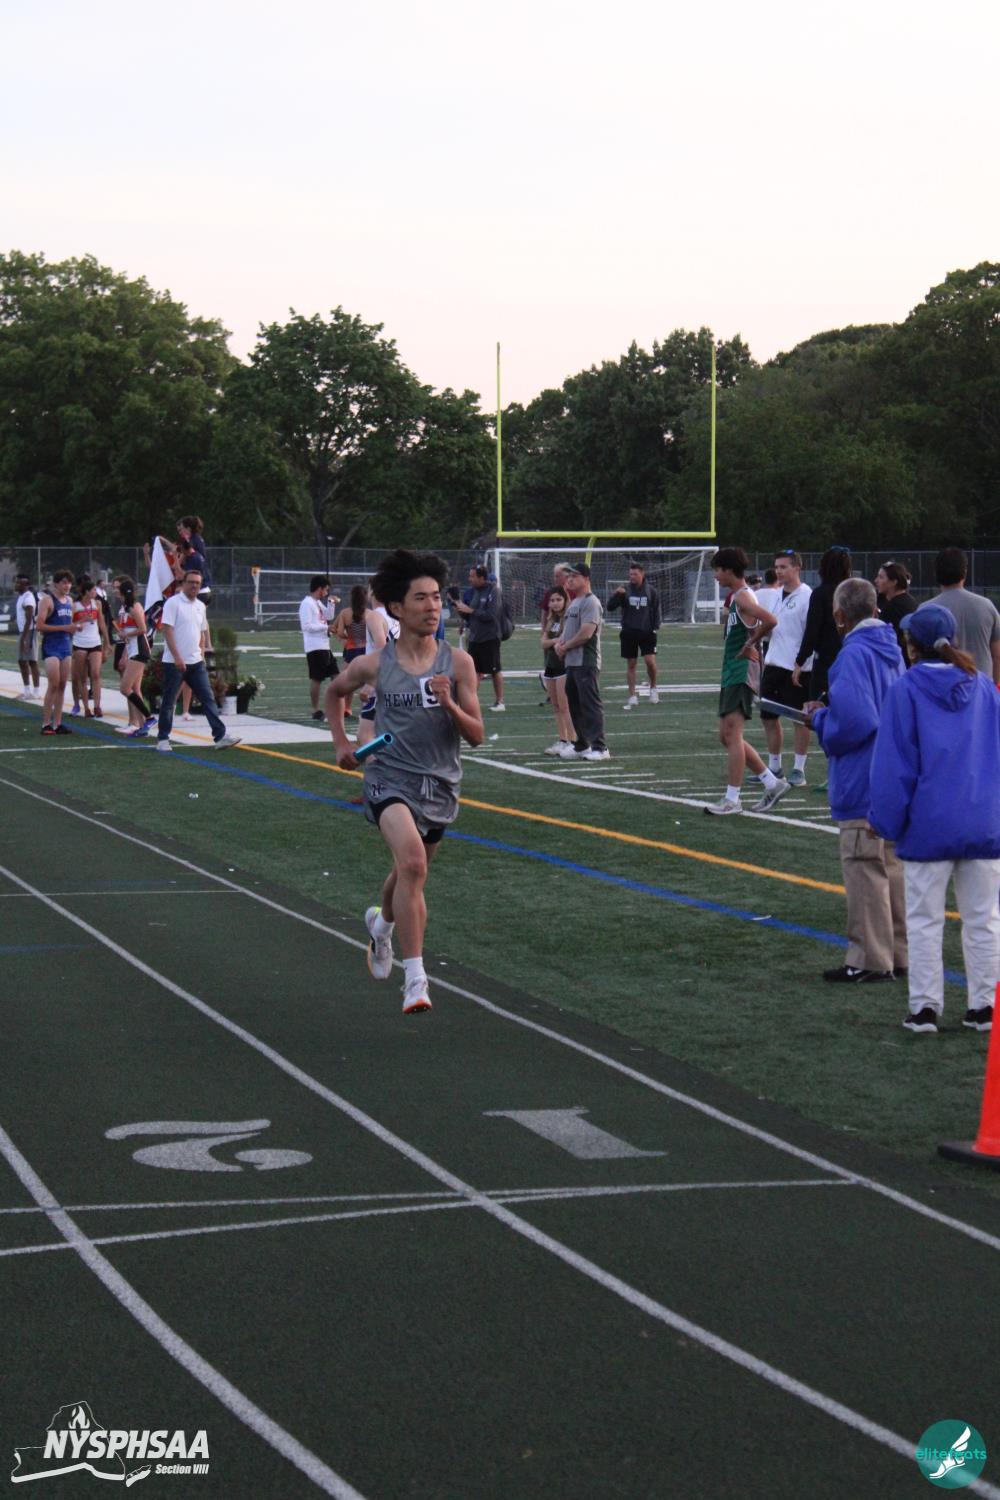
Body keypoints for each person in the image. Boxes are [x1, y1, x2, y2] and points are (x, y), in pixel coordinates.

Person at [325, 549, 484, 1015]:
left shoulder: (459, 663)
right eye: (421, 598)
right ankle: (415, 980)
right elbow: (335, 693)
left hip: (440, 784)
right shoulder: (375, 664)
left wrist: (450, 704)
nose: (433, 607)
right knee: (413, 864)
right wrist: (340, 743)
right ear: (397, 607)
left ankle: (381, 927)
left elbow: (476, 735)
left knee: (408, 873)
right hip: (388, 777)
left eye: (437, 597)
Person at [869, 604, 1000, 1034]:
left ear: (912, 646)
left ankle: (925, 1007)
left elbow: (895, 766)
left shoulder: (906, 690)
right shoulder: (984, 687)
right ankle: (985, 1006)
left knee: (925, 921)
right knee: (984, 919)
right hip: (983, 822)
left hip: (928, 825)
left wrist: (885, 820)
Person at [805, 578, 906, 983]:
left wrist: (820, 719)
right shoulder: (892, 650)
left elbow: (856, 721)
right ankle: (898, 953)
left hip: (862, 777)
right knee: (891, 869)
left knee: (864, 869)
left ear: (840, 615)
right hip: (892, 776)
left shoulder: (852, 655)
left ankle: (869, 958)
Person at [702, 547, 786, 814]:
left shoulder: (742, 597)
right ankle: (772, 783)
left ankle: (732, 799)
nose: (715, 575)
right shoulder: (739, 596)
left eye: (717, 570)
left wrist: (751, 643)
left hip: (741, 671)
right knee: (727, 736)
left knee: (732, 734)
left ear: (729, 570)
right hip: (732, 670)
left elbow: (770, 620)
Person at [744, 548, 813, 787]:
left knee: (799, 719)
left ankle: (799, 770)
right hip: (773, 662)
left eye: (784, 567)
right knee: (768, 716)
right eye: (777, 567)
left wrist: (801, 663)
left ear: (797, 568)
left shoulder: (807, 596)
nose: (779, 571)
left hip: (797, 667)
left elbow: (810, 634)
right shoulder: (774, 595)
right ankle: (774, 767)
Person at [155, 569, 241, 752]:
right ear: (184, 583)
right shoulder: (173, 603)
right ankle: (163, 739)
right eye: (191, 582)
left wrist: (201, 656)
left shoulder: (200, 606)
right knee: (169, 701)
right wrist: (177, 657)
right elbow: (167, 630)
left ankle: (220, 736)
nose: (194, 586)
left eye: (197, 583)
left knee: (208, 699)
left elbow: (201, 632)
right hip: (174, 663)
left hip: (195, 663)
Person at [916, 546, 1000, 684]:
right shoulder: (987, 606)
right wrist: (994, 690)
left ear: (936, 573)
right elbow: (997, 656)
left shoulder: (924, 611)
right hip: (980, 688)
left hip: (939, 688)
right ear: (965, 572)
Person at [555, 562, 609, 760]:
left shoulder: (591, 602)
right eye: (569, 576)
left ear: (586, 579)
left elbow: (586, 632)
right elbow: (568, 630)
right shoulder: (574, 602)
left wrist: (566, 646)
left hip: (586, 661)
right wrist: (559, 644)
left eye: (574, 576)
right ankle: (582, 744)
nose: (570, 579)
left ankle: (600, 747)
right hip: (572, 662)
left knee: (590, 705)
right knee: (575, 705)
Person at [793, 546, 851, 702]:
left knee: (820, 707)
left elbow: (812, 631)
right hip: (852, 658)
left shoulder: (821, 593)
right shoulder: (854, 592)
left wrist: (799, 661)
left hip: (826, 661)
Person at [606, 561, 661, 709]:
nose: (632, 577)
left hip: (647, 632)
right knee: (631, 664)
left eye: (635, 574)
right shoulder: (625, 590)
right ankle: (632, 695)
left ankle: (653, 688)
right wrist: (616, 594)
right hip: (629, 632)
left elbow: (656, 609)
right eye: (630, 574)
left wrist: (655, 627)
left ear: (642, 574)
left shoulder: (651, 591)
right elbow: (610, 607)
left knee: (650, 661)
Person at [453, 565, 505, 711]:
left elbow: (491, 615)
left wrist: (471, 610)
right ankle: (469, 701)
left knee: (494, 670)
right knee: (473, 670)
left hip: (490, 637)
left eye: (472, 576)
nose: (469, 579)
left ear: (482, 578)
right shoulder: (473, 592)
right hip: (474, 637)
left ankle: (500, 702)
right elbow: (470, 615)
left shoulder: (493, 591)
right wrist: (459, 609)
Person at [36, 570, 78, 735]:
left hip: (65, 646)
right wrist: (64, 627)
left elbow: (70, 624)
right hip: (51, 646)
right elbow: (40, 626)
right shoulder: (47, 600)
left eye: (69, 583)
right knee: (53, 684)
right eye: (64, 582)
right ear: (56, 584)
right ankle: (46, 723)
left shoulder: (70, 601)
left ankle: (57, 724)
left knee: (62, 685)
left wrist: (75, 628)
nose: (67, 586)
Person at [115, 577, 156, 736]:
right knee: (135, 689)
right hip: (133, 650)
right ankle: (142, 726)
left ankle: (149, 718)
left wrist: (126, 634)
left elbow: (143, 629)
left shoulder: (133, 607)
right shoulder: (125, 608)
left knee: (125, 688)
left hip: (140, 650)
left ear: (122, 593)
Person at [540, 584, 576, 754]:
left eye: (558, 599)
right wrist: (553, 642)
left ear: (565, 600)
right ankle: (563, 740)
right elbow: (543, 643)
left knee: (565, 706)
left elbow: (564, 640)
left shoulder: (569, 619)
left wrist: (552, 642)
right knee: (555, 706)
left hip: (564, 666)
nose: (555, 603)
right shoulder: (551, 620)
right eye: (552, 600)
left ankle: (573, 741)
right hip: (550, 665)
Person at [298, 575, 339, 720]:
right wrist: (326, 628)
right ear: (319, 588)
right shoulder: (307, 603)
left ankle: (335, 705)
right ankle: (315, 709)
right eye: (326, 590)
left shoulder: (317, 603)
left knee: (336, 675)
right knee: (317, 678)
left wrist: (331, 603)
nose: (327, 592)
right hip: (315, 646)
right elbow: (307, 626)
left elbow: (328, 616)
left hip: (324, 645)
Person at [70, 575, 111, 719]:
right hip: (80, 643)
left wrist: (107, 642)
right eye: (93, 590)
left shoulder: (97, 604)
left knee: (96, 674)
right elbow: (69, 625)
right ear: (86, 592)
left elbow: (102, 623)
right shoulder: (75, 606)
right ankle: (86, 708)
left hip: (95, 642)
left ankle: (97, 706)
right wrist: (82, 620)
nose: (95, 592)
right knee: (82, 677)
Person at [332, 584, 370, 718]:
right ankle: (367, 708)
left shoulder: (345, 613)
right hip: (366, 651)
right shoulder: (370, 614)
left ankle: (347, 708)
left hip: (351, 650)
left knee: (348, 681)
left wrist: (346, 640)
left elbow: (339, 632)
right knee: (368, 681)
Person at [874, 561, 917, 662]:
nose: (876, 580)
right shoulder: (910, 600)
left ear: (894, 582)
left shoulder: (893, 607)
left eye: (881, 577)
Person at [14, 574, 41, 700]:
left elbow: (29, 619)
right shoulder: (21, 596)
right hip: (24, 632)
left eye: (19, 583)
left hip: (29, 632)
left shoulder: (28, 598)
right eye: (16, 582)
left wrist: (24, 638)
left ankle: (35, 692)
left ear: (25, 585)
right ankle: (26, 691)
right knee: (22, 661)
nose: (16, 584)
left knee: (32, 661)